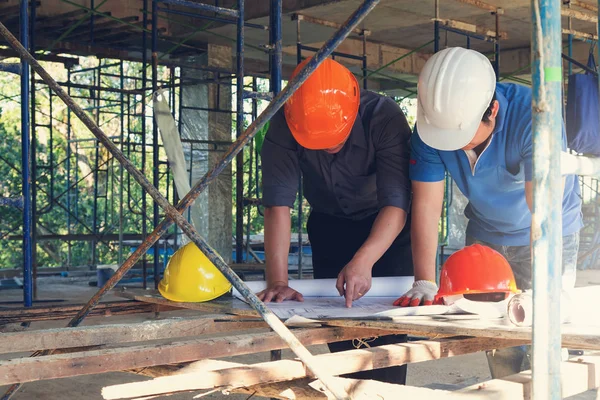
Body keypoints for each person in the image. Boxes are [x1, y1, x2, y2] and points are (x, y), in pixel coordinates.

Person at [395, 47, 583, 377]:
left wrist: (545, 282)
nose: (451, 144)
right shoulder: (431, 128)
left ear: (492, 110)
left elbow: (541, 210)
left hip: (549, 229)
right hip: (486, 235)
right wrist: (423, 280)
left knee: (545, 335)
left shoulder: (535, 116)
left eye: (462, 135)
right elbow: (426, 204)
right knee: (498, 342)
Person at [258, 57, 413, 384]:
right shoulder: (284, 122)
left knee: (390, 338)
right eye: (318, 144)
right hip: (329, 226)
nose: (328, 148)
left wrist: (364, 260)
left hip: (386, 230)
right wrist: (278, 281)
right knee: (337, 333)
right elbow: (277, 207)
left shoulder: (384, 117)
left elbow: (397, 204)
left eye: (337, 141)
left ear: (354, 108)